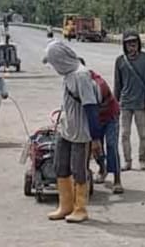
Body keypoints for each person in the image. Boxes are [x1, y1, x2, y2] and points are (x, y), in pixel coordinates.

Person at [44, 42, 102, 223]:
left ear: (60, 59)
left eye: (53, 63)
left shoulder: (81, 75)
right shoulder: (68, 75)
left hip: (81, 132)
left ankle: (80, 208)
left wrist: (95, 138)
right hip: (66, 128)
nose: (53, 67)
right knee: (60, 167)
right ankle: (65, 205)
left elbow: (91, 108)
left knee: (79, 170)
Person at [78, 57, 123, 194]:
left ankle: (117, 179)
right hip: (93, 117)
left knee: (111, 145)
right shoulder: (76, 82)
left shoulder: (98, 85)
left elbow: (92, 109)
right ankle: (102, 168)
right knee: (94, 147)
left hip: (109, 116)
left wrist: (95, 137)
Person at [114, 30, 145, 171]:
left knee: (142, 134)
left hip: (140, 102)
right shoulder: (120, 61)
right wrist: (115, 103)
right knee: (125, 134)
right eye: (129, 43)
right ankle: (127, 161)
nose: (132, 46)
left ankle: (142, 160)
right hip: (125, 102)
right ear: (124, 45)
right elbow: (117, 84)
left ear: (139, 43)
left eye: (134, 42)